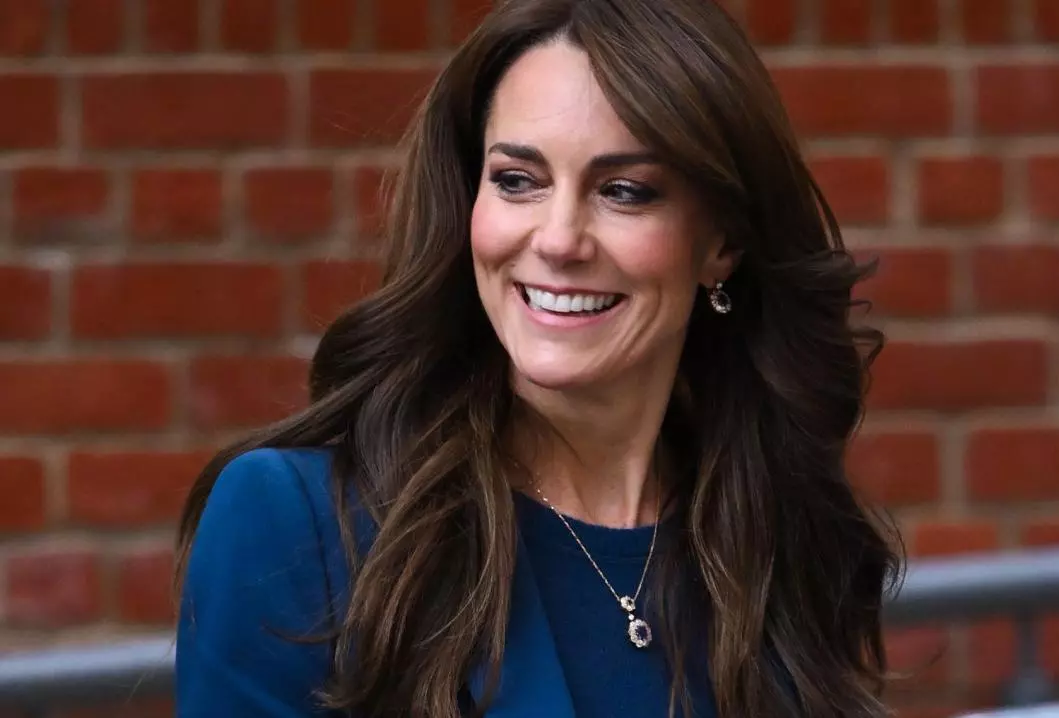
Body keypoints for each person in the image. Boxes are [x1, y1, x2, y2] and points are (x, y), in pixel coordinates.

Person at [172, 0, 899, 716]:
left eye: (623, 191)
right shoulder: (294, 524)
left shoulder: (778, 536)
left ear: (723, 243)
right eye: (517, 181)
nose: (558, 240)